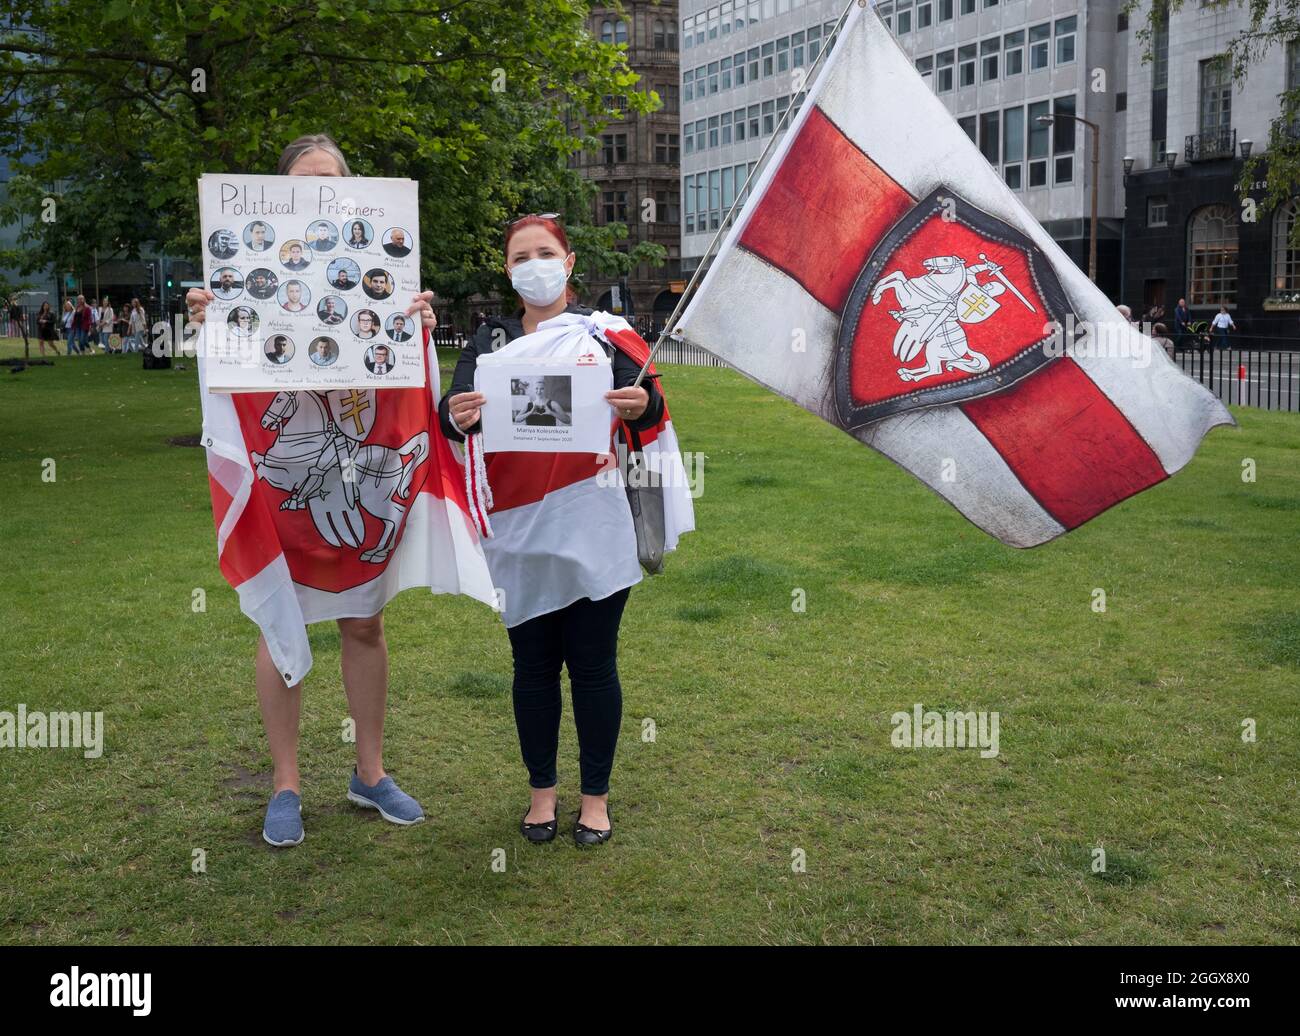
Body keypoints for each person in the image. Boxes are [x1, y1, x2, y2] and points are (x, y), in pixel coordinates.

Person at [186, 133, 441, 848]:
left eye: (329, 182)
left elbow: (406, 378)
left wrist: (417, 326)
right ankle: (286, 782)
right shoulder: (250, 274)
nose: (316, 196)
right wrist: (210, 323)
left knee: (365, 620)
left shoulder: (377, 275)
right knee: (281, 622)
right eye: (301, 185)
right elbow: (227, 378)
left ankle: (370, 772)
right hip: (287, 469)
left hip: (356, 457)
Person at [441, 214, 693, 846]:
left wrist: (643, 405)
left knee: (593, 666)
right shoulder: (489, 338)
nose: (534, 264)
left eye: (544, 253)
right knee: (531, 667)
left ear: (569, 262)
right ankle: (541, 794)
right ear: (507, 269)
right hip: (517, 528)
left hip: (593, 520)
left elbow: (651, 413)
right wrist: (457, 414)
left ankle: (596, 799)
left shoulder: (607, 336)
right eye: (520, 256)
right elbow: (454, 420)